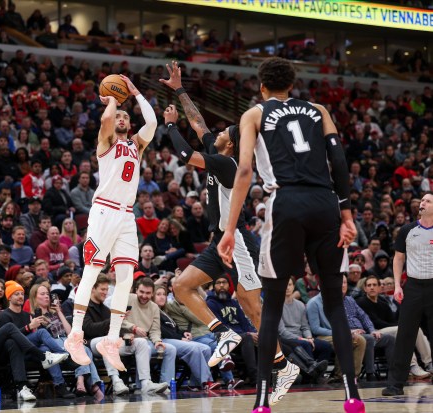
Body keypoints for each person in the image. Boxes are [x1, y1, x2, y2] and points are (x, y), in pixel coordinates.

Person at [217, 57, 362, 413]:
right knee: (334, 303)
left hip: (286, 202)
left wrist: (230, 228)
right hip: (325, 202)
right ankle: (352, 395)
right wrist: (346, 213)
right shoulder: (319, 110)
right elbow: (339, 162)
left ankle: (263, 400)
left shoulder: (254, 113)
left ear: (262, 87)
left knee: (272, 308)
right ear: (292, 86)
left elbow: (246, 169)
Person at [160, 60, 296, 403]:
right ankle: (224, 334)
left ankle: (282, 365)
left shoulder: (224, 163)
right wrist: (179, 89)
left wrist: (169, 125)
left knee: (252, 308)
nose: (216, 131)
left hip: (237, 242)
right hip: (217, 242)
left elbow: (182, 152)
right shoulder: (219, 153)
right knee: (181, 285)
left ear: (230, 144)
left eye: (223, 132)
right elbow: (199, 121)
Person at [65, 75, 157, 371]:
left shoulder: (136, 146)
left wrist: (136, 94)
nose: (120, 118)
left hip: (126, 215)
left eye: (125, 117)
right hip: (103, 211)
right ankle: (75, 335)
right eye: (118, 116)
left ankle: (112, 340)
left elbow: (153, 124)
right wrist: (114, 100)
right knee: (91, 272)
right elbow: (105, 119)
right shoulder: (105, 143)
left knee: (126, 278)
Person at [83, 274, 168, 395]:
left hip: (112, 344)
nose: (105, 292)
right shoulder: (83, 306)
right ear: (93, 288)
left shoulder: (106, 309)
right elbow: (89, 329)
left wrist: (127, 335)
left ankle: (145, 383)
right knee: (108, 341)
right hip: (92, 344)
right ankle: (116, 381)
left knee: (141, 342)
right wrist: (114, 320)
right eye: (102, 289)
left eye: (107, 289)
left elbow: (116, 329)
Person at [383, 193, 433, 396]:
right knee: (405, 336)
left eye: (428, 201)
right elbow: (398, 259)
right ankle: (395, 384)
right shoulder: (407, 230)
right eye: (421, 200)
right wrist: (397, 285)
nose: (422, 203)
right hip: (412, 286)